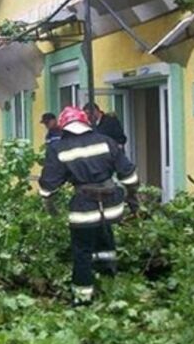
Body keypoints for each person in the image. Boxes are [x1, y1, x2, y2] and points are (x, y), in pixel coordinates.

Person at [38, 106, 139, 306]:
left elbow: (48, 185)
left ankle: (83, 299)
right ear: (86, 123)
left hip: (84, 209)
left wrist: (49, 204)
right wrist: (132, 198)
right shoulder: (106, 142)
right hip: (111, 207)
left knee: (82, 251)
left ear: (64, 126)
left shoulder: (58, 148)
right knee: (105, 241)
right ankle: (108, 285)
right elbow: (129, 175)